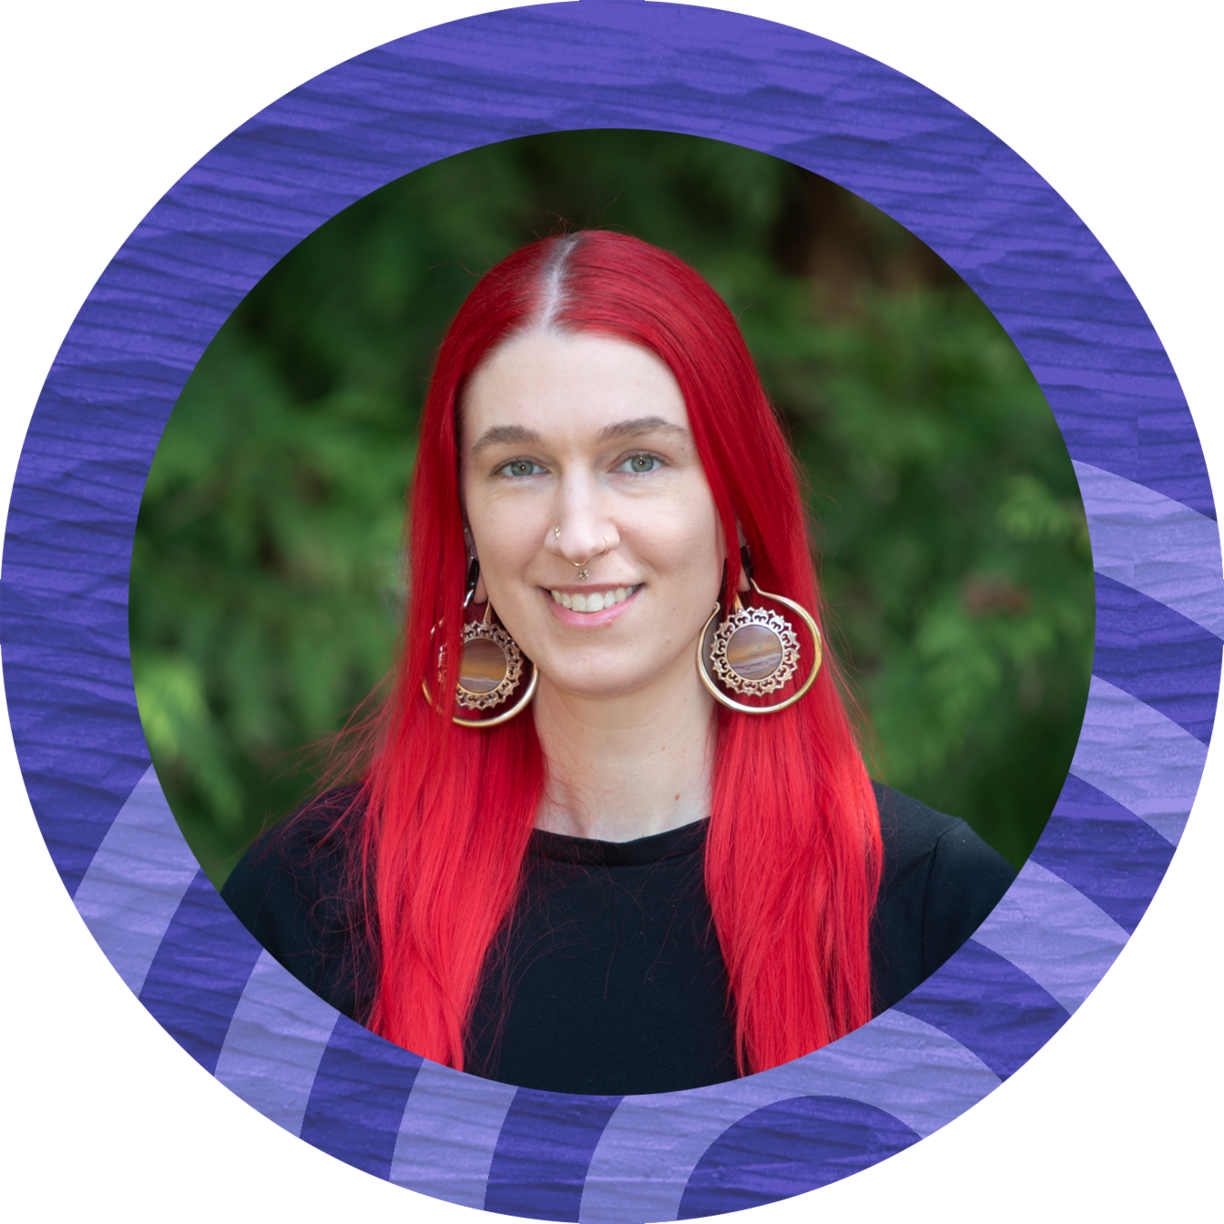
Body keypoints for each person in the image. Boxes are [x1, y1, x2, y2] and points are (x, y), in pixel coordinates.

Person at [221, 230, 1016, 1096]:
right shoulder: (308, 907)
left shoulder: (937, 910)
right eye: (519, 467)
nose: (578, 535)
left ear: (736, 506)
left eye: (639, 461)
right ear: (466, 523)